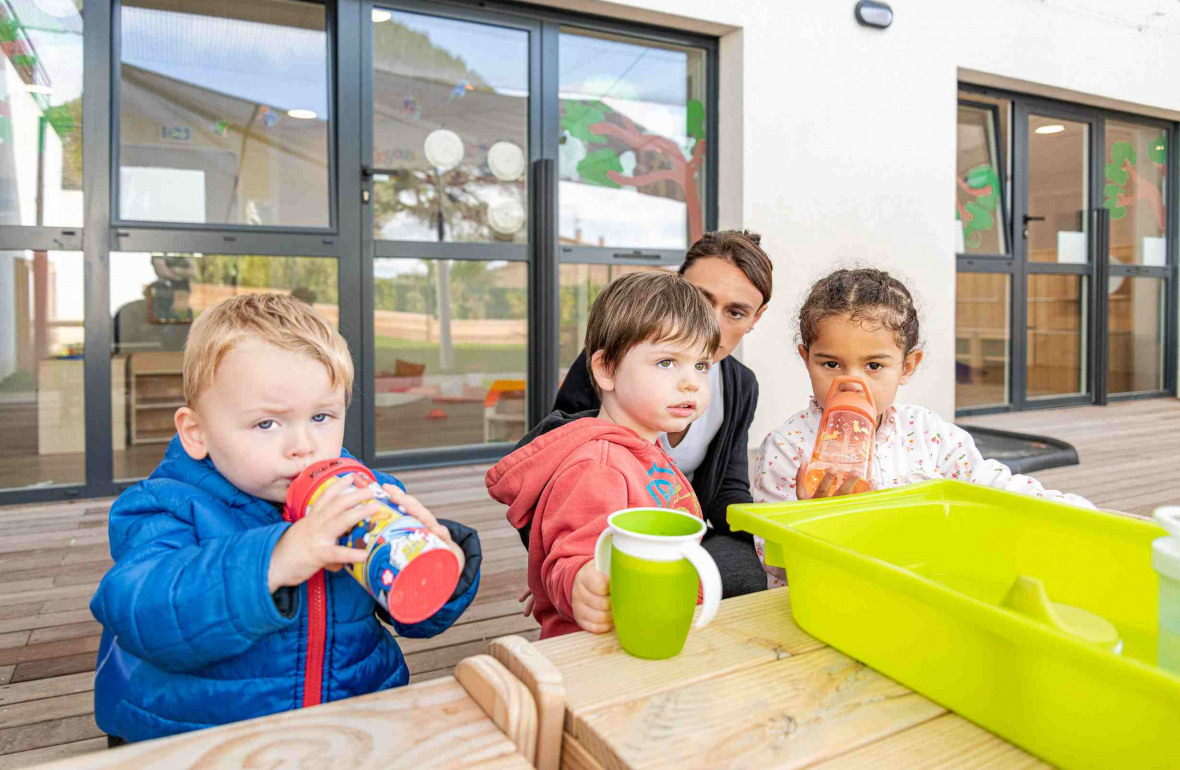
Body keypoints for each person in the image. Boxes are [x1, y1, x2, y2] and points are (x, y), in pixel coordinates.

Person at [90, 293, 482, 743]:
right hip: (204, 738)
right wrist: (274, 560)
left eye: (321, 416)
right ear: (197, 433)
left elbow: (414, 617)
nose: (303, 446)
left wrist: (438, 567)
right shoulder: (167, 506)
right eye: (267, 424)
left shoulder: (360, 496)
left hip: (346, 726)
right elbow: (143, 613)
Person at [753, 268, 1092, 586]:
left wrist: (1068, 511)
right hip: (823, 595)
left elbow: (991, 486)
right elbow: (773, 560)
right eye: (831, 364)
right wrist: (812, 521)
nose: (852, 382)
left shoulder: (927, 433)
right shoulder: (788, 447)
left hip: (919, 588)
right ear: (806, 359)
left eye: (874, 365)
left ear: (907, 367)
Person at [529, 230, 773, 599]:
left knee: (753, 569)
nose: (711, 323)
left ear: (756, 318)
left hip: (681, 530)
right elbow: (553, 467)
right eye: (700, 299)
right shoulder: (614, 365)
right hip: (605, 538)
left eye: (735, 312)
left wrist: (777, 528)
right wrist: (560, 568)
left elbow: (726, 490)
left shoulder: (740, 386)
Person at [485, 272, 718, 637]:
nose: (691, 382)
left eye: (701, 365)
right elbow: (575, 557)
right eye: (667, 362)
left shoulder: (643, 447)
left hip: (652, 628)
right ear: (607, 369)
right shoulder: (598, 465)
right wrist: (578, 582)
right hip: (603, 647)